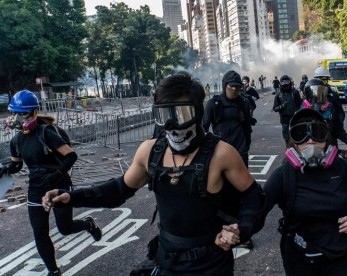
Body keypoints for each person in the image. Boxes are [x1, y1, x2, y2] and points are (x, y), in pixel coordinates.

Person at [42, 73, 265, 275]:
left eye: (180, 113)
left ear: (197, 112)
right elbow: (119, 190)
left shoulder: (222, 153)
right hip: (167, 259)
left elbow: (254, 195)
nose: (171, 124)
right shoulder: (150, 151)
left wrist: (241, 230)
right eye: (163, 114)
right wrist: (72, 197)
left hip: (211, 263)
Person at [261, 108, 347, 275]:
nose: (310, 140)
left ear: (326, 138)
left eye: (317, 132)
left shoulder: (344, 169)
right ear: (293, 142)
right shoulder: (284, 175)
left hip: (340, 257)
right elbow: (257, 210)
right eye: (301, 133)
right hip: (299, 259)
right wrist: (235, 230)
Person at [1, 90, 102, 276]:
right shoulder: (16, 140)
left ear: (34, 113)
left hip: (59, 185)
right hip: (35, 190)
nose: (16, 118)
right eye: (14, 113)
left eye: (22, 113)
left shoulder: (46, 132)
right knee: (40, 232)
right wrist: (5, 169)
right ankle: (53, 271)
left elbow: (71, 156)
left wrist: (57, 174)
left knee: (65, 228)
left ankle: (88, 224)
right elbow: (16, 165)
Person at [203, 70, 254, 167]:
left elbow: (247, 128)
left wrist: (247, 145)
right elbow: (203, 128)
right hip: (220, 150)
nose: (234, 89)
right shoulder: (213, 103)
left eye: (237, 86)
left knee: (242, 181)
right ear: (225, 85)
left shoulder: (243, 103)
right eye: (231, 86)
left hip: (240, 150)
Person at [304, 78, 347, 155]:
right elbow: (295, 134)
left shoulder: (329, 110)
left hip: (330, 147)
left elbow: (338, 129)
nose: (316, 96)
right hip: (309, 150)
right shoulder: (302, 112)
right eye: (314, 92)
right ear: (308, 94)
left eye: (320, 92)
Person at [273, 75, 302, 148]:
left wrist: (298, 111)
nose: (286, 83)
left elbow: (300, 104)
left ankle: (297, 149)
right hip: (284, 118)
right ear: (281, 83)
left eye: (287, 81)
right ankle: (288, 149)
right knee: (286, 136)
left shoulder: (294, 92)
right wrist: (281, 106)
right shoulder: (278, 95)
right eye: (284, 82)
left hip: (294, 117)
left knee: (297, 133)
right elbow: (275, 108)